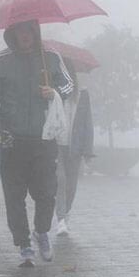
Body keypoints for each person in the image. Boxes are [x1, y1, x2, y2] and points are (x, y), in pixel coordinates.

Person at [0, 19, 74, 265]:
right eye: (20, 31)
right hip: (11, 140)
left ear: (35, 31)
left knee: (46, 193)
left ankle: (41, 231)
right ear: (12, 33)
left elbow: (68, 84)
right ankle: (24, 245)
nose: (25, 36)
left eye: (29, 31)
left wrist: (54, 91)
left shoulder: (51, 57)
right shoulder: (0, 61)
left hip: (44, 139)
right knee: (14, 197)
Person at [54, 59, 94, 237]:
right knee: (60, 180)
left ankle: (66, 213)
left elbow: (87, 123)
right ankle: (61, 219)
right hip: (56, 145)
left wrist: (87, 151)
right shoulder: (55, 94)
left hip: (75, 147)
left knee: (71, 185)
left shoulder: (82, 96)